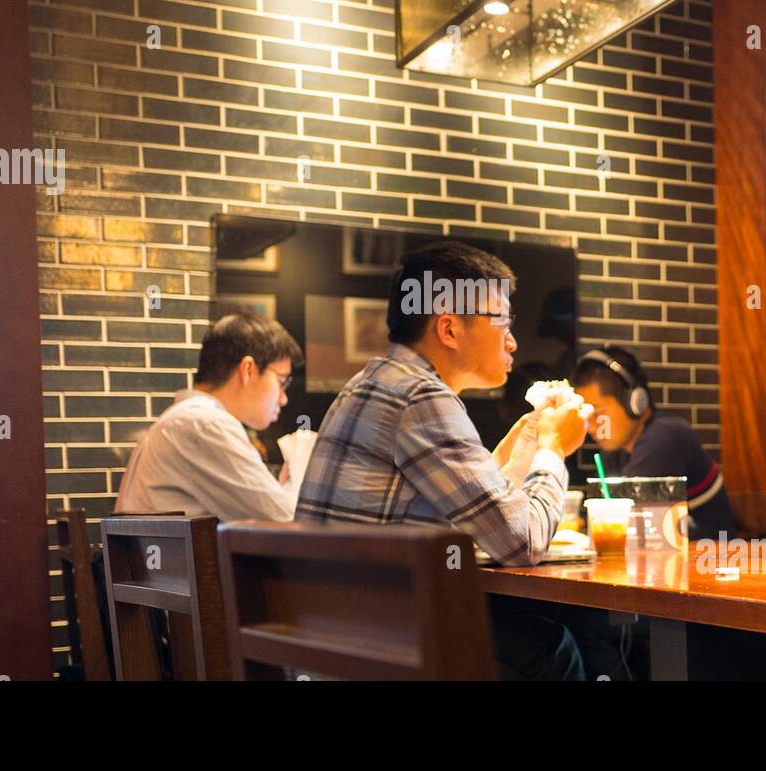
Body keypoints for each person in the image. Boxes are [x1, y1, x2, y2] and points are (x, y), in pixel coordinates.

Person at [297, 241, 589, 680]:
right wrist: (553, 449)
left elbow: (477, 510)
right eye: (502, 322)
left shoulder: (374, 382)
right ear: (450, 329)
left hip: (335, 643)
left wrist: (531, 436)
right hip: (379, 653)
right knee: (552, 650)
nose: (513, 340)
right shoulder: (421, 397)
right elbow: (522, 543)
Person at [115, 311, 303, 522]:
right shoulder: (205, 424)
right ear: (248, 369)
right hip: (176, 556)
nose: (283, 399)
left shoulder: (184, 418)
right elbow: (288, 522)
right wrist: (297, 475)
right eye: (282, 380)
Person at [573, 346, 736, 540]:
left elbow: (626, 523)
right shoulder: (614, 452)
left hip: (711, 558)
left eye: (598, 413)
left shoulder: (664, 436)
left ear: (635, 402)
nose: (591, 427)